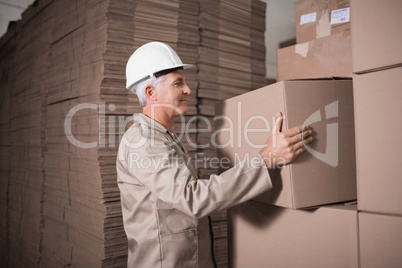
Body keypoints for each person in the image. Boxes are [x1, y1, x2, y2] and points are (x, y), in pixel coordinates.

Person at [116, 41, 313, 267]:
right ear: (152, 93)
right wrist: (267, 158)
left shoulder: (162, 137)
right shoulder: (143, 142)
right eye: (178, 83)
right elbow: (193, 198)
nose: (188, 90)